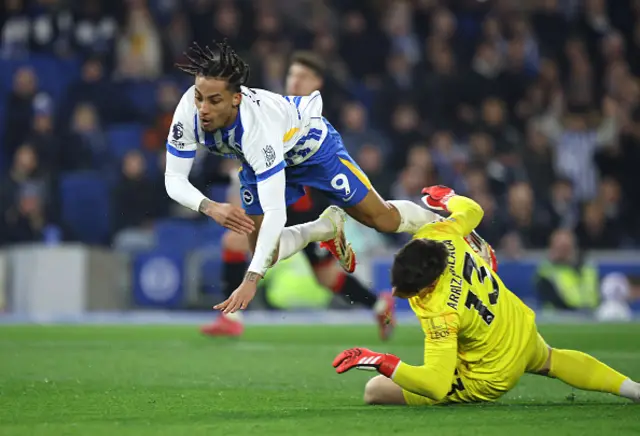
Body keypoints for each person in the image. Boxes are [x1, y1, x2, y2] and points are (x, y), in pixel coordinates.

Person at [164, 40, 445, 314]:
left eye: (214, 101)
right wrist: (211, 207)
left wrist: (251, 281)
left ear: (236, 99)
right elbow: (173, 179)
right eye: (199, 97)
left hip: (312, 150)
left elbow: (276, 213)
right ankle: (323, 229)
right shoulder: (189, 110)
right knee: (266, 252)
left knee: (382, 219)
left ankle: (445, 225)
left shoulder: (258, 129)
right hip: (259, 162)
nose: (203, 108)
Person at [332, 185, 640, 405]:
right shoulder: (441, 235)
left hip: (491, 374)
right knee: (551, 359)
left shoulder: (440, 312)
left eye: (407, 290)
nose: (398, 292)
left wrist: (380, 360)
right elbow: (473, 209)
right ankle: (633, 389)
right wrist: (449, 198)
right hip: (518, 329)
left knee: (375, 390)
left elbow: (436, 385)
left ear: (427, 287)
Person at [200, 51, 397, 339]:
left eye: (303, 76)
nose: (295, 80)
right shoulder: (276, 107)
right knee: (325, 276)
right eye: (292, 74)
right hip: (286, 200)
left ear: (318, 83)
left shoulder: (316, 116)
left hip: (307, 203)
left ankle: (231, 317)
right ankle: (380, 305)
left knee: (238, 240)